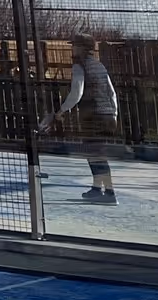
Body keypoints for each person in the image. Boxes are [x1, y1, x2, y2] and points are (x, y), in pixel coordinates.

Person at [40, 31, 119, 203]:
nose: (72, 49)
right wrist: (114, 113)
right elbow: (111, 93)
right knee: (97, 153)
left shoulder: (79, 66)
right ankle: (98, 189)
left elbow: (77, 92)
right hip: (107, 115)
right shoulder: (99, 66)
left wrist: (61, 111)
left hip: (92, 116)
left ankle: (109, 192)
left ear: (82, 48)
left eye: (74, 45)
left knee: (95, 154)